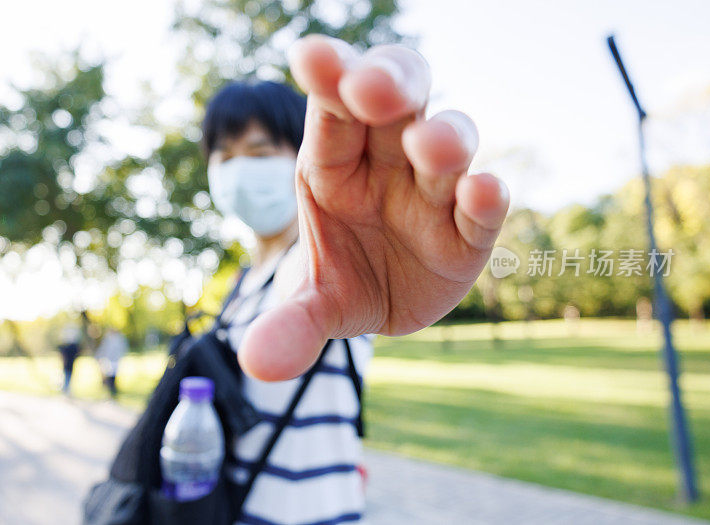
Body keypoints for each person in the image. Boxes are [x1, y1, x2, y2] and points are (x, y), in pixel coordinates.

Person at [202, 35, 508, 524]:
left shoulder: (331, 260)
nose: (240, 168)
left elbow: (311, 285)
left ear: (304, 155)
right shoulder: (240, 282)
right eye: (225, 155)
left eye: (259, 152)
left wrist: (348, 253)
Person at [95, 328, 128, 398]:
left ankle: (113, 390)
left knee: (113, 375)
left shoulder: (120, 339)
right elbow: (103, 348)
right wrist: (99, 356)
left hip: (116, 359)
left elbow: (123, 348)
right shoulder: (108, 339)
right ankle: (110, 390)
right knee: (109, 375)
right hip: (109, 359)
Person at [57, 326, 81, 394]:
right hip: (69, 364)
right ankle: (66, 389)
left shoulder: (68, 347)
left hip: (68, 364)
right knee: (67, 376)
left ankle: (65, 389)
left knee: (67, 376)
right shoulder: (72, 347)